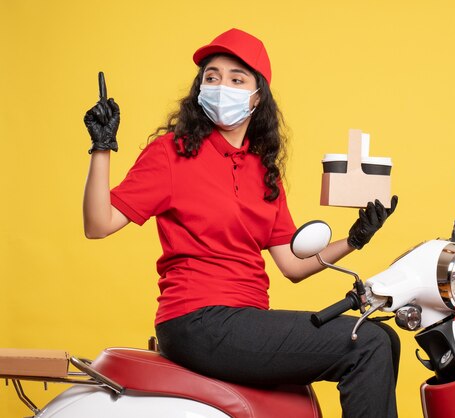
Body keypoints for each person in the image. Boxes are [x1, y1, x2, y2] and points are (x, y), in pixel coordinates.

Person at [83, 28, 400, 418]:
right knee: (367, 343)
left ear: (256, 96)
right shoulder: (171, 153)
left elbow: (294, 266)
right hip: (196, 319)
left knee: (384, 337)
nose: (222, 86)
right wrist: (101, 147)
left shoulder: (263, 170)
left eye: (237, 79)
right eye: (212, 77)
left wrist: (354, 238)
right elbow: (98, 224)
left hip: (246, 320)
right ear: (200, 88)